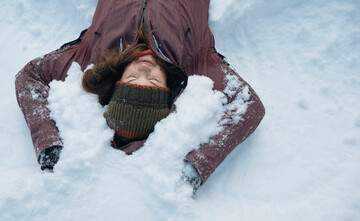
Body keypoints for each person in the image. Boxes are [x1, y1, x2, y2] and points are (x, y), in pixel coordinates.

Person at [15, 0, 265, 191]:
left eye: (132, 79)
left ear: (117, 80)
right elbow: (249, 107)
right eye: (154, 81)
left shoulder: (90, 57)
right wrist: (198, 165)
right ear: (169, 89)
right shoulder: (198, 63)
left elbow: (30, 77)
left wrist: (47, 141)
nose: (144, 69)